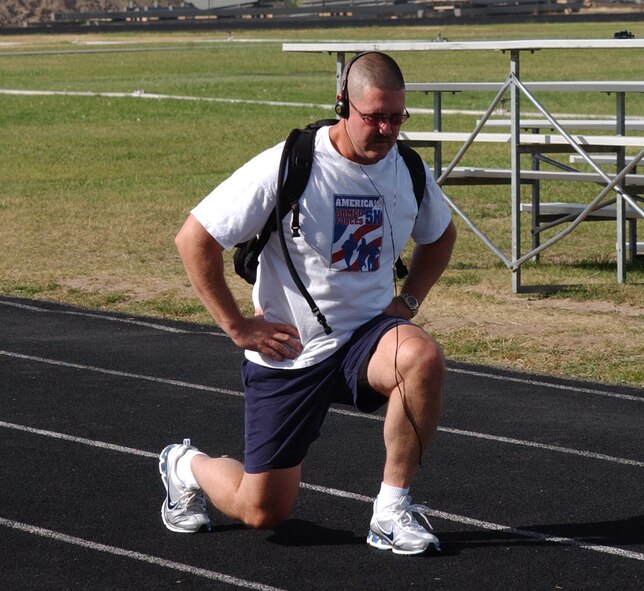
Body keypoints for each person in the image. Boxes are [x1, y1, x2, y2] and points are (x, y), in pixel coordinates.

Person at [162, 51, 457, 556]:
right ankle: (183, 465)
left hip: (368, 337)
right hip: (291, 349)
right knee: (263, 511)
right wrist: (237, 326)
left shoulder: (406, 167)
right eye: (374, 117)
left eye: (396, 118)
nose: (386, 130)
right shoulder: (291, 162)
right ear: (343, 104)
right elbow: (195, 238)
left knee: (422, 357)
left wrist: (406, 303)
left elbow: (441, 235)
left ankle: (391, 510)